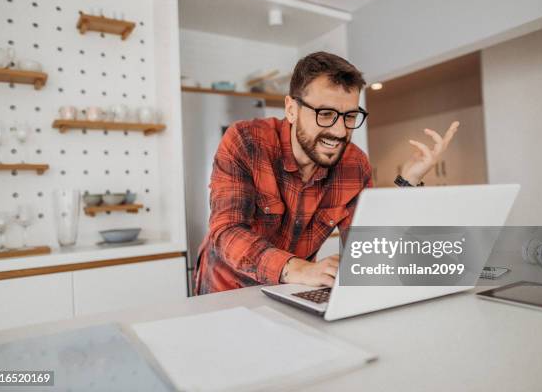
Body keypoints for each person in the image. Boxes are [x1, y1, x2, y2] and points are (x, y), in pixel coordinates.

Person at [194, 51, 459, 294]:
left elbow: (369, 245)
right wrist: (300, 269)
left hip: (294, 289)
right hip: (228, 290)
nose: (340, 131)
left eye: (350, 116)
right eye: (326, 113)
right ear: (291, 109)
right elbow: (227, 231)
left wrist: (408, 182)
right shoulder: (246, 140)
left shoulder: (354, 165)